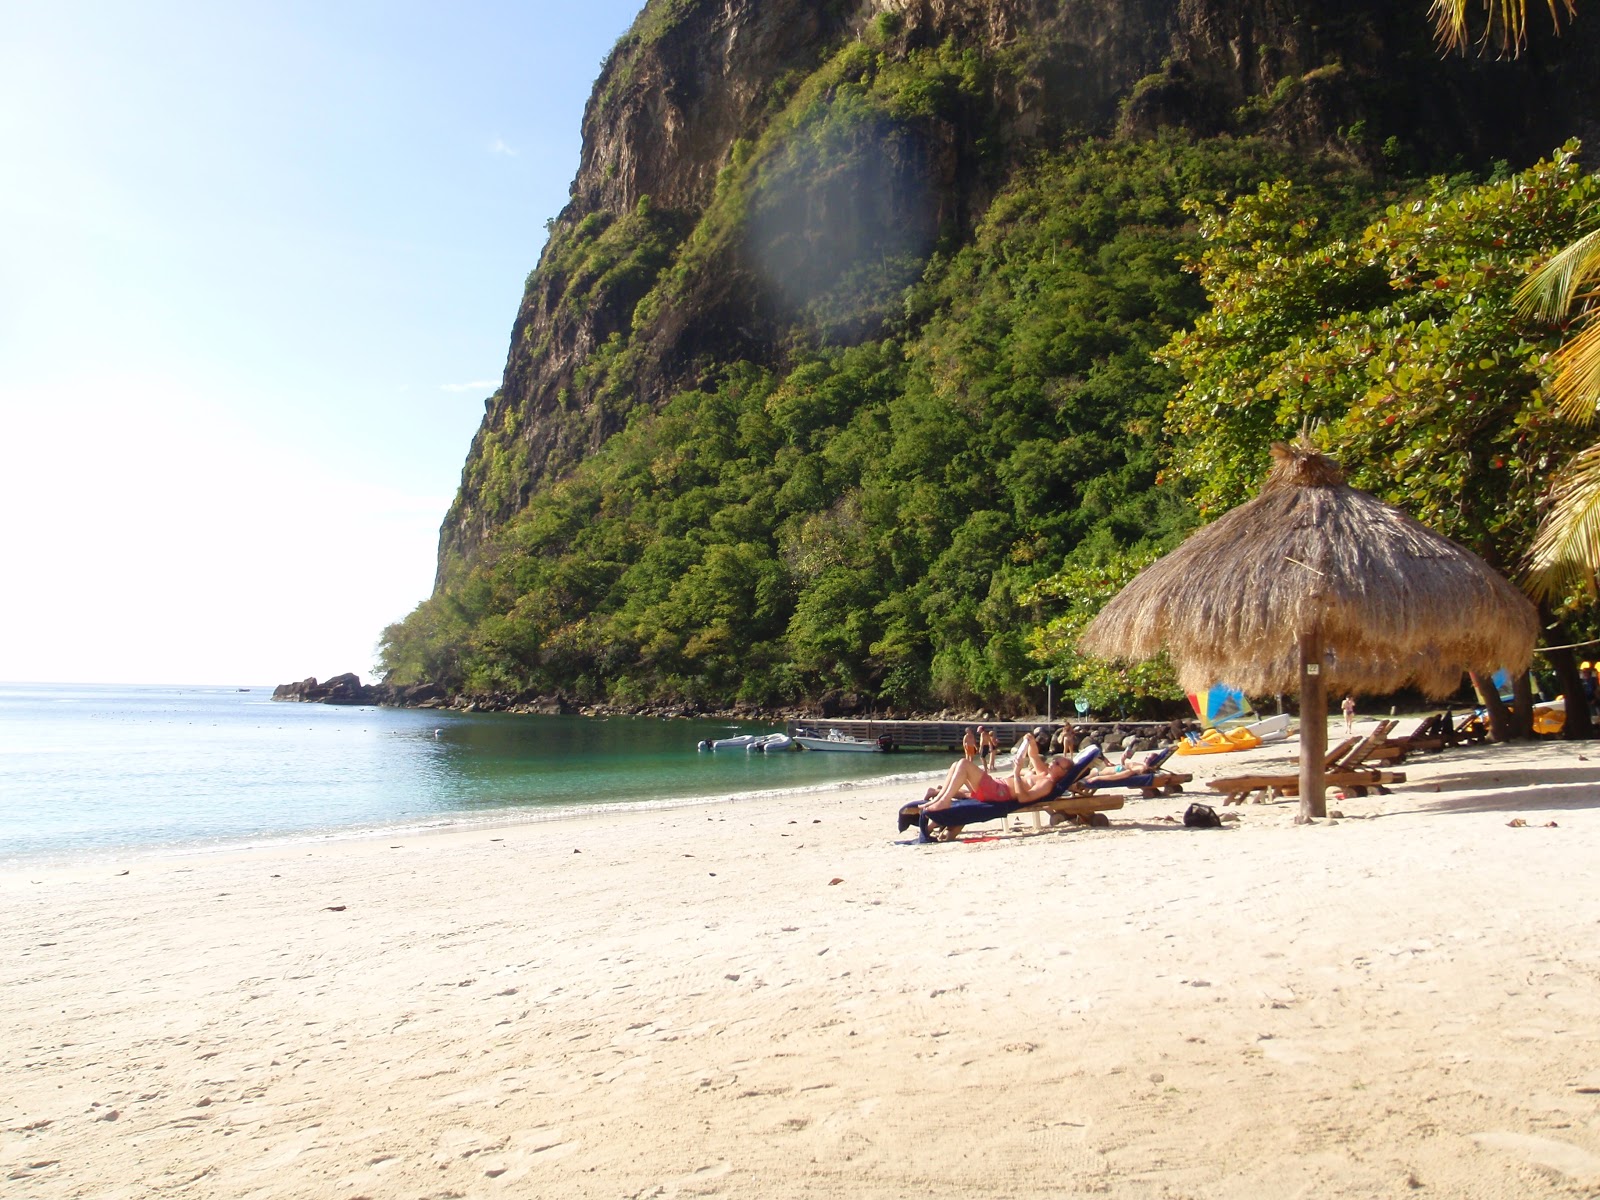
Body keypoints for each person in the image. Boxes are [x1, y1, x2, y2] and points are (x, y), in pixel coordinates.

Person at [920, 732, 1073, 813]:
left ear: (1063, 773)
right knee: (956, 764)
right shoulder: (1043, 773)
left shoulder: (1046, 784)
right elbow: (1033, 755)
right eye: (1055, 760)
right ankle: (939, 799)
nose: (1052, 762)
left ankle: (944, 801)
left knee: (964, 764)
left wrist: (1017, 771)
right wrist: (1031, 742)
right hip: (996, 786)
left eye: (1057, 763)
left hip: (998, 792)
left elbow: (1024, 799)